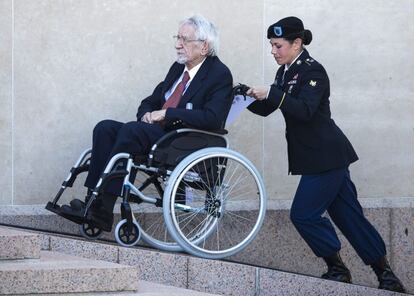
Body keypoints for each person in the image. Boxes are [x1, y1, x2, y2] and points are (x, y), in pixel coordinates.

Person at [245, 16, 405, 292]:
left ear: (297, 43)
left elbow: (304, 110)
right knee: (350, 218)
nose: (273, 51)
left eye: (278, 45)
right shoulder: (285, 72)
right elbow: (268, 107)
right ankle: (387, 277)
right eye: (271, 45)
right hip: (317, 159)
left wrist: (272, 93)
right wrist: (243, 96)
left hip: (327, 158)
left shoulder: (313, 71)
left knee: (303, 215)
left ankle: (338, 268)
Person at [60, 15, 233, 232]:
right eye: (177, 37)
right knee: (105, 128)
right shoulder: (178, 68)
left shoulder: (219, 74)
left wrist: (166, 113)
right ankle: (92, 199)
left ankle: (104, 207)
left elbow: (213, 118)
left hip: (181, 139)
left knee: (132, 132)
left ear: (204, 46)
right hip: (156, 132)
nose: (177, 44)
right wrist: (147, 113)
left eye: (184, 39)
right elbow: (151, 100)